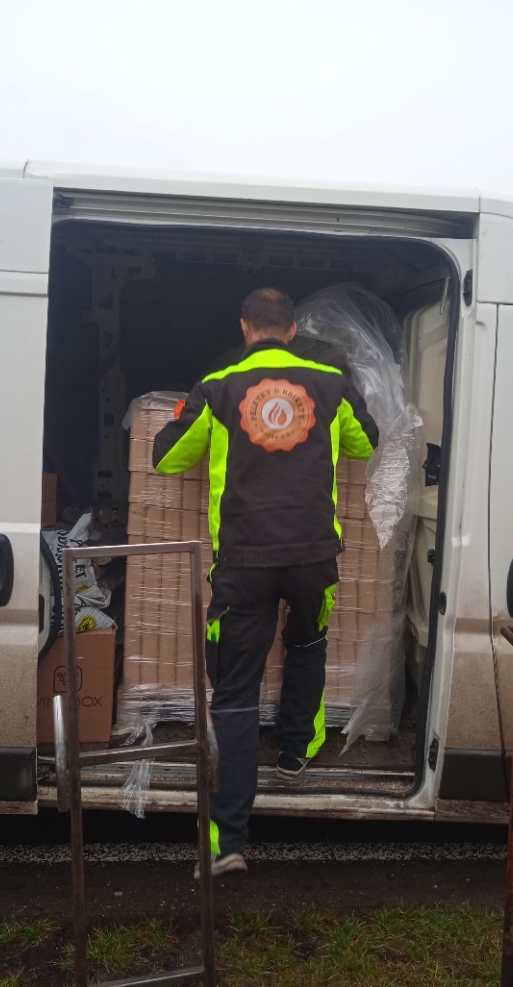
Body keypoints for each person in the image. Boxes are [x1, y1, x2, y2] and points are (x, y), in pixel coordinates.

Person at [152, 288, 379, 878]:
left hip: (244, 562)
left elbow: (167, 457)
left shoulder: (218, 386)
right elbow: (366, 442)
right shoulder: (331, 383)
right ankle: (296, 753)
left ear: (245, 327)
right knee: (307, 644)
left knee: (233, 694)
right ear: (293, 329)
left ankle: (226, 842)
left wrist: (195, 420)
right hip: (312, 559)